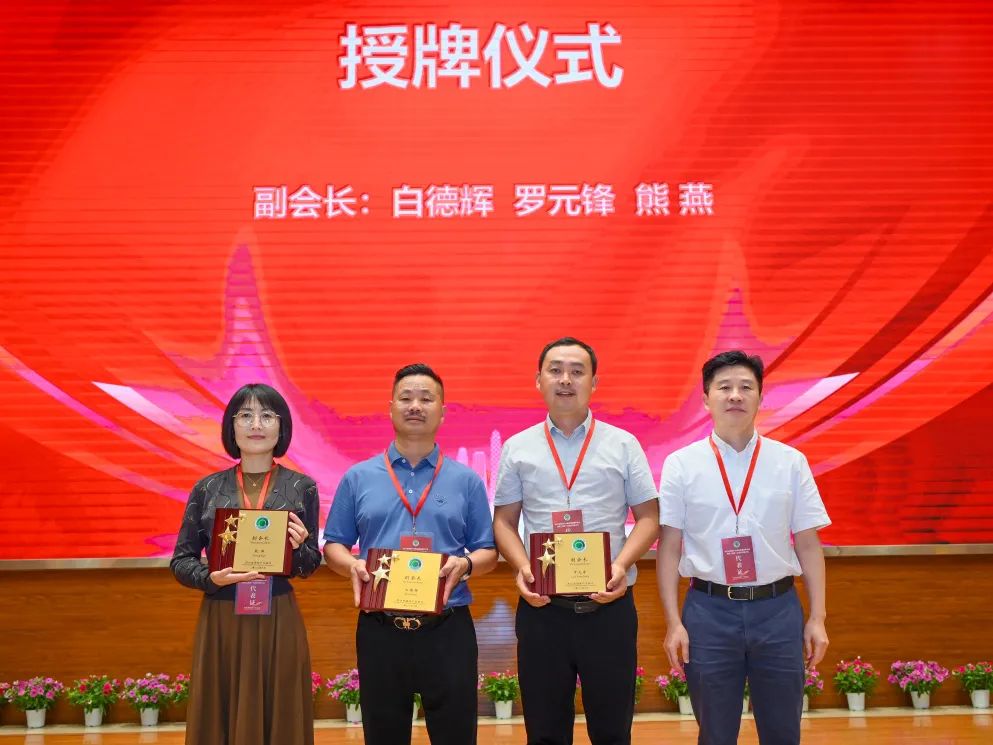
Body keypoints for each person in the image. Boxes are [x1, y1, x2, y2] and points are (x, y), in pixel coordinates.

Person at [656, 350, 830, 745]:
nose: (735, 395)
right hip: (708, 612)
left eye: (745, 387)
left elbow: (807, 543)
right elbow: (669, 546)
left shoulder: (791, 462)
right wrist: (673, 622)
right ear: (706, 399)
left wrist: (817, 617)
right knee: (715, 733)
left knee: (783, 731)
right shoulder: (681, 464)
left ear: (760, 398)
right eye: (724, 387)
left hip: (778, 610)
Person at [493, 337, 659, 745]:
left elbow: (649, 518)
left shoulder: (623, 444)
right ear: (539, 381)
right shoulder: (518, 448)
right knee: (544, 731)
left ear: (593, 382)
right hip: (544, 610)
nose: (565, 379)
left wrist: (621, 565)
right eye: (555, 370)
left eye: (577, 371)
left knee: (612, 731)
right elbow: (504, 522)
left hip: (609, 609)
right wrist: (523, 567)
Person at [323, 363, 498, 745]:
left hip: (448, 629)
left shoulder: (466, 480)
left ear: (442, 411)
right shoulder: (358, 477)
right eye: (406, 398)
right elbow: (333, 544)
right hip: (380, 629)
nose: (415, 406)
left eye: (426, 398)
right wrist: (351, 564)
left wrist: (466, 564)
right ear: (391, 408)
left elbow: (488, 550)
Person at [170, 383, 322, 745]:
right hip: (222, 616)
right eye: (246, 415)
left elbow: (310, 564)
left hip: (277, 614)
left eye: (267, 416)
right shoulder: (207, 488)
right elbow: (181, 560)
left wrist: (301, 546)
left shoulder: (302, 487)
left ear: (282, 427)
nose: (256, 424)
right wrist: (212, 577)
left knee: (280, 711)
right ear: (231, 426)